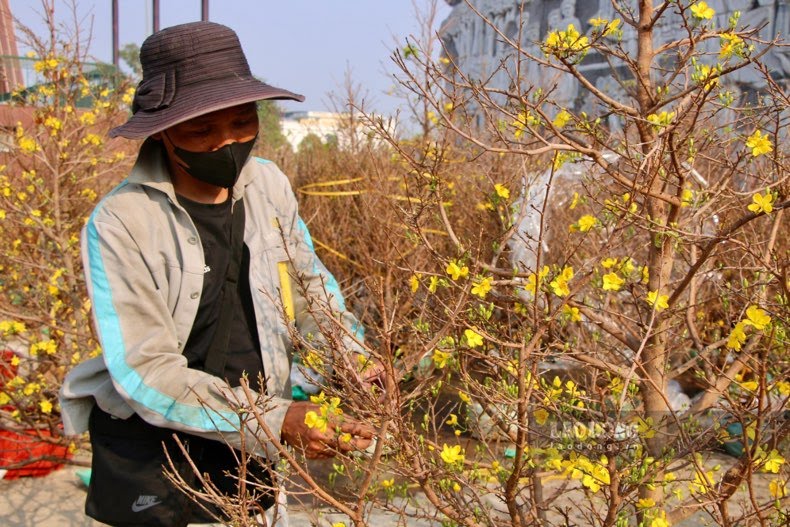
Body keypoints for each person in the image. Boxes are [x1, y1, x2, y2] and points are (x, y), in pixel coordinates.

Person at [59, 21, 374, 527]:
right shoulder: (120, 221)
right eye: (199, 130)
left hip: (253, 437)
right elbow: (146, 371)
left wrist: (355, 362)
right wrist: (278, 421)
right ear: (162, 132)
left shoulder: (269, 185)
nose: (225, 142)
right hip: (157, 442)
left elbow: (311, 286)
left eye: (241, 121)